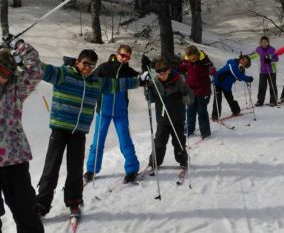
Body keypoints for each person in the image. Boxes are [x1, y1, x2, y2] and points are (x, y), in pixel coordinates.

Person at [36, 49, 147, 217]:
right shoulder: (63, 74)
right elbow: (40, 69)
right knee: (51, 168)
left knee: (75, 169)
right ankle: (41, 205)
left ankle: (74, 202)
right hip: (60, 129)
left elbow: (118, 84)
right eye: (85, 64)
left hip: (79, 132)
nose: (88, 68)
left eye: (91, 65)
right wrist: (21, 53)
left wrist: (139, 81)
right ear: (78, 62)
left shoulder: (96, 82)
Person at [0, 37, 44, 232]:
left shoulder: (16, 88)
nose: (0, 76)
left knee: (27, 213)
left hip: (14, 160)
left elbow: (35, 69)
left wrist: (19, 45)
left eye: (3, 72)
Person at [84, 45, 140, 184]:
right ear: (117, 54)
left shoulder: (128, 71)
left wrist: (147, 70)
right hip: (104, 110)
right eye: (123, 55)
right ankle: (91, 170)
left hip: (120, 112)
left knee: (125, 140)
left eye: (128, 57)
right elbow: (91, 81)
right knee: (98, 141)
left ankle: (132, 169)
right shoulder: (104, 67)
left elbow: (141, 79)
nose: (124, 59)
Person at [146, 59, 194, 169]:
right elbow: (150, 99)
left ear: (169, 70)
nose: (162, 76)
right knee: (159, 142)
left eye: (165, 73)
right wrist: (147, 91)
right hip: (162, 119)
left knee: (178, 141)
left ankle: (182, 161)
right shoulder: (155, 83)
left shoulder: (178, 81)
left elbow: (190, 94)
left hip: (177, 118)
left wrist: (184, 99)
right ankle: (154, 162)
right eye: (160, 73)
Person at [178, 45, 216, 139]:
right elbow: (179, 69)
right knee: (190, 110)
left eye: (194, 57)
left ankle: (205, 131)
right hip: (190, 90)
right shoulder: (186, 61)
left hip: (203, 90)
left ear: (197, 54)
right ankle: (190, 128)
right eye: (190, 58)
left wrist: (212, 70)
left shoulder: (204, 60)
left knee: (201, 111)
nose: (192, 59)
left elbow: (212, 68)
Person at [211, 55, 253, 121]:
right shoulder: (233, 63)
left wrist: (243, 75)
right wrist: (248, 79)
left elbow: (239, 77)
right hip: (218, 82)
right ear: (240, 59)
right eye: (242, 60)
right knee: (217, 99)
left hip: (227, 85)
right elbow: (238, 75)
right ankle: (215, 116)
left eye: (245, 62)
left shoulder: (241, 69)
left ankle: (236, 111)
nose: (243, 62)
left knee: (230, 98)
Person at [251, 36, 279, 106]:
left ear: (268, 42)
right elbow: (253, 56)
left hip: (271, 71)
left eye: (266, 42)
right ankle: (260, 101)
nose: (264, 43)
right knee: (262, 86)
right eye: (263, 42)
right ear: (260, 43)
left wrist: (270, 61)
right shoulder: (258, 49)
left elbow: (276, 59)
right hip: (263, 71)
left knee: (272, 86)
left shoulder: (272, 49)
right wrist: (245, 57)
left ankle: (273, 100)